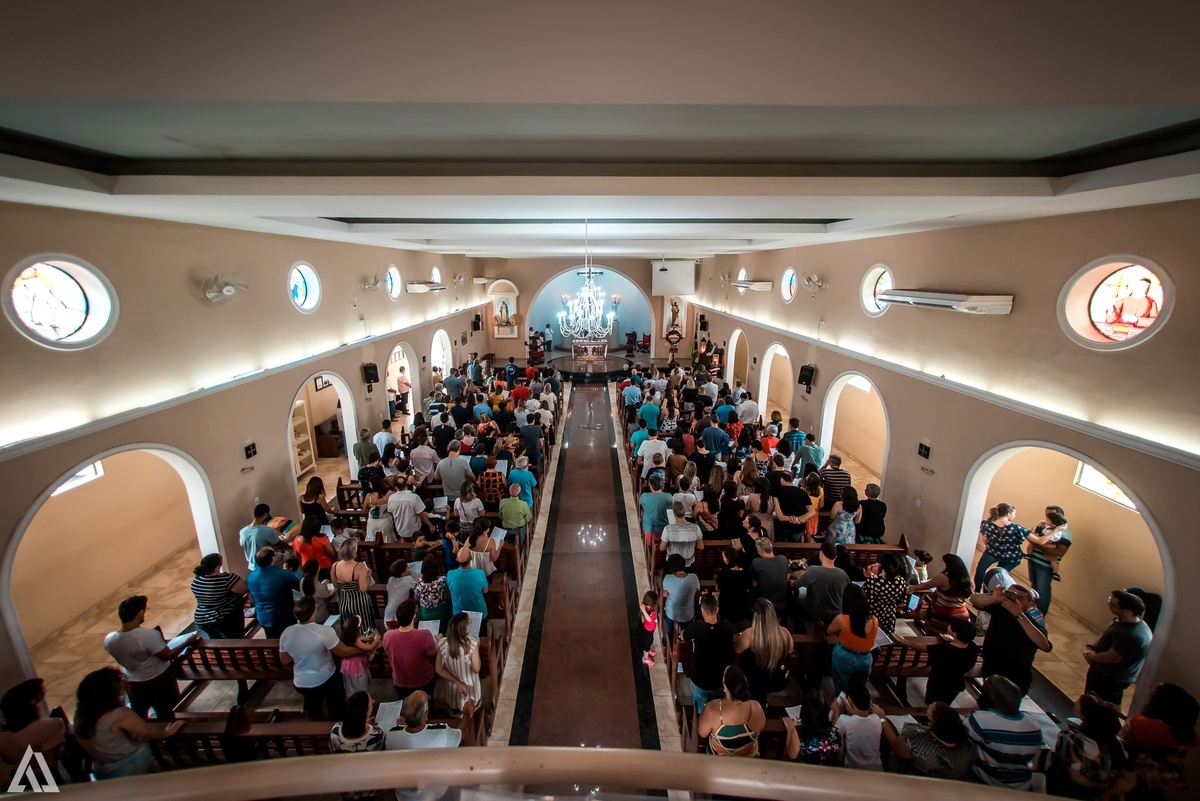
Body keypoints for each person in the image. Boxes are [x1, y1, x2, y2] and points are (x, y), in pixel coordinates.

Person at [73, 668, 182, 779]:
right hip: (129, 764)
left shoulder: (80, 714)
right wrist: (167, 732)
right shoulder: (119, 714)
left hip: (101, 767)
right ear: (111, 693)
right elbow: (147, 731)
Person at [103, 595, 197, 721]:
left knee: (140, 713)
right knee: (166, 712)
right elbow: (166, 656)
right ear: (139, 613)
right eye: (145, 609)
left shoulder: (109, 639)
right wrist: (186, 642)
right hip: (157, 679)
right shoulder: (147, 636)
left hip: (133, 682)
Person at [280, 597, 377, 719]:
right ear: (314, 611)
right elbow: (344, 652)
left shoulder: (287, 632)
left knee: (314, 708)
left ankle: (314, 722)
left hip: (301, 682)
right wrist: (365, 649)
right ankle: (335, 720)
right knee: (336, 705)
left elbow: (285, 660)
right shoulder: (324, 631)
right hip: (325, 678)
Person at [1049, 693, 1137, 800]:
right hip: (1106, 793)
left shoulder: (1071, 740)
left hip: (1071, 793)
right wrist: (1106, 795)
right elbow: (1130, 780)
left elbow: (1075, 776)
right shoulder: (1123, 747)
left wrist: (1098, 785)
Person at [972, 582, 1052, 698]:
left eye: (1020, 598)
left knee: (1005, 704)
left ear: (1030, 603)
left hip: (1015, 676)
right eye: (1011, 595)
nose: (1015, 600)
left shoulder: (1031, 621)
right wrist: (993, 598)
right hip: (992, 668)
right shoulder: (1000, 609)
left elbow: (1045, 646)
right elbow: (974, 599)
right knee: (987, 701)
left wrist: (1019, 615)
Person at [968, 675, 1047, 790]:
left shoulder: (980, 720)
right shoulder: (1034, 725)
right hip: (1022, 785)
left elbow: (960, 739)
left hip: (987, 782)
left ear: (993, 696)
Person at [1123, 683, 1200, 800]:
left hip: (1135, 776)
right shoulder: (1189, 734)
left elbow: (1125, 747)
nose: (1151, 690)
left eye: (1154, 691)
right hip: (1161, 781)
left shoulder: (1145, 725)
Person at [1084, 590, 1153, 705]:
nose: (1108, 605)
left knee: (1100, 704)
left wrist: (1091, 656)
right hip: (1101, 670)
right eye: (1109, 601)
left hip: (1110, 678)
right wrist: (1091, 647)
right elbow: (1107, 634)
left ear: (1128, 612)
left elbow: (1112, 657)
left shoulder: (1132, 635)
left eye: (1112, 605)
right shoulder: (1122, 619)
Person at [877, 700, 975, 779]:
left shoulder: (916, 737)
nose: (929, 705)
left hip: (914, 780)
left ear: (935, 721)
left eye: (931, 707)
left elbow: (896, 746)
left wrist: (883, 719)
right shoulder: (968, 747)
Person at [897, 616, 979, 706]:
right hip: (956, 682)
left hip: (938, 681)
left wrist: (904, 641)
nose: (949, 626)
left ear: (955, 634)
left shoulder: (945, 649)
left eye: (951, 626)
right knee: (946, 701)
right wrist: (953, 641)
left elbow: (923, 648)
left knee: (933, 702)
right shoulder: (972, 647)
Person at [733, 598, 793, 708]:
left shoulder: (749, 634)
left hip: (754, 681)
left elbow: (736, 649)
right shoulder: (785, 633)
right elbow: (789, 651)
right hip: (777, 679)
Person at [0, 678, 66, 777]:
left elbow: (8, 760)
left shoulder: (2, 736)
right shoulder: (49, 725)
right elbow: (49, 764)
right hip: (47, 778)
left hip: (19, 777)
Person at [697, 666, 765, 758]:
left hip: (720, 762)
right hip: (749, 761)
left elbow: (702, 733)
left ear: (725, 687)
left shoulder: (712, 709)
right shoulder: (756, 707)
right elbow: (760, 728)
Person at [683, 595, 734, 715]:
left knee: (700, 712)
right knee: (719, 711)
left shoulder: (696, 627)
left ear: (702, 610)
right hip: (720, 680)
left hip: (700, 678)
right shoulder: (726, 626)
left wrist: (682, 633)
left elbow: (684, 636)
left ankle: (700, 720)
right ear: (717, 609)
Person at [826, 584, 879, 696]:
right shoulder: (874, 620)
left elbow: (829, 631)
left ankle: (841, 705)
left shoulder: (842, 620)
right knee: (859, 690)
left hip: (844, 657)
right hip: (865, 659)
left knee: (841, 689)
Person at [383, 599, 438, 700]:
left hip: (401, 682)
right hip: (423, 682)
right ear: (414, 616)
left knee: (406, 704)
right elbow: (433, 652)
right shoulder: (424, 635)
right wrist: (437, 641)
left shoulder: (388, 636)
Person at [972, 502, 1031, 592]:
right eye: (1014, 513)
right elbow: (1039, 541)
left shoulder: (988, 524)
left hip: (992, 551)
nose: (1014, 515)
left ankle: (976, 590)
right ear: (1008, 514)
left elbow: (985, 539)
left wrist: (988, 545)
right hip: (1011, 556)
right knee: (998, 574)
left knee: (981, 568)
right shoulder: (1015, 528)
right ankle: (990, 592)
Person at [1025, 505, 1073, 615]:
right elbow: (1032, 538)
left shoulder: (1066, 534)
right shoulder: (1042, 525)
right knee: (1034, 585)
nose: (1047, 517)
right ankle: (1033, 610)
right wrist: (1040, 543)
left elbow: (1059, 552)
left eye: (1051, 515)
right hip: (1033, 559)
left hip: (1045, 565)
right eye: (1046, 514)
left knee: (1043, 590)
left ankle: (1041, 614)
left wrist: (1038, 543)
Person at [912, 553, 973, 635]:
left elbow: (926, 585)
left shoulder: (944, 578)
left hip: (944, 614)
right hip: (962, 614)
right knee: (956, 637)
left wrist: (912, 587)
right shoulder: (969, 580)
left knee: (935, 637)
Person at [190, 552, 247, 639]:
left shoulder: (197, 580)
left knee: (215, 641)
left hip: (201, 618)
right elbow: (244, 589)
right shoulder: (227, 578)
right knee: (234, 640)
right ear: (218, 566)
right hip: (221, 618)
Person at [435, 612, 482, 717]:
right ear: (464, 629)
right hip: (470, 688)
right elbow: (476, 668)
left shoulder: (442, 643)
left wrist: (457, 682)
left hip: (453, 690)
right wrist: (477, 648)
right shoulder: (472, 644)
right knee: (471, 714)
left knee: (456, 715)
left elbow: (439, 669)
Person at [831, 676, 883, 771]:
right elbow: (861, 718)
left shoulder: (844, 720)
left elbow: (834, 733)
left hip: (853, 769)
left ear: (849, 700)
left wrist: (836, 711)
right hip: (876, 768)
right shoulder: (876, 719)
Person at [795, 541, 851, 628]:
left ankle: (800, 630)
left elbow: (795, 585)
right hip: (836, 615)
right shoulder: (843, 574)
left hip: (814, 614)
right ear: (835, 557)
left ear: (821, 554)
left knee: (794, 604)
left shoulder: (813, 570)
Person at [783, 689, 844, 766]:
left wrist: (790, 728)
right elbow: (840, 759)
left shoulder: (799, 735)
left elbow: (792, 754)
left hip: (803, 772)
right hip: (828, 772)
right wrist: (836, 713)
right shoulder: (837, 734)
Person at [331, 538, 376, 631]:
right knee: (363, 624)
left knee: (348, 626)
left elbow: (336, 585)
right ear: (354, 552)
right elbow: (363, 588)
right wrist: (368, 575)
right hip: (358, 601)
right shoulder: (359, 566)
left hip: (343, 600)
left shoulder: (335, 565)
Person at [861, 552, 908, 635]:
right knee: (885, 636)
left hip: (874, 614)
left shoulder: (872, 580)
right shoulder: (901, 581)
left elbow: (865, 599)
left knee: (871, 635)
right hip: (890, 614)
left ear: (881, 564)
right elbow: (902, 600)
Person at [337, 612, 381, 697]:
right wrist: (376, 639)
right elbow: (369, 648)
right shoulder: (355, 639)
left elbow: (357, 641)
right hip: (355, 667)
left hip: (349, 665)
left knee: (353, 686)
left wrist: (363, 639)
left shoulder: (347, 636)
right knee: (360, 687)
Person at [661, 554, 701, 644]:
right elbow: (697, 596)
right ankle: (685, 643)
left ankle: (671, 641)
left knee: (670, 632)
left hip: (671, 614)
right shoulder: (694, 578)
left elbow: (664, 595)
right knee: (686, 634)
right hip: (688, 614)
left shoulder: (668, 578)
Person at [445, 549, 487, 624]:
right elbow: (485, 591)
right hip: (478, 611)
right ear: (471, 558)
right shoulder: (480, 573)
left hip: (458, 614)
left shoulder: (450, 574)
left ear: (456, 559)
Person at [239, 502, 284, 571]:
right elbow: (281, 544)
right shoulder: (268, 530)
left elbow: (243, 544)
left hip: (252, 566)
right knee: (290, 556)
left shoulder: (242, 531)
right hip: (267, 563)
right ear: (265, 514)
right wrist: (291, 545)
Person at [387, 476, 433, 541]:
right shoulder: (414, 497)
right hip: (414, 528)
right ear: (406, 484)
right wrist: (430, 525)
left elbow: (390, 512)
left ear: (396, 487)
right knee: (417, 542)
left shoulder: (391, 498)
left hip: (400, 528)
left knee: (404, 542)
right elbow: (421, 515)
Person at [715, 547, 753, 624]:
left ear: (728, 558)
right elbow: (748, 588)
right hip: (741, 607)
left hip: (726, 608)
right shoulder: (746, 573)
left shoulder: (723, 573)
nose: (723, 559)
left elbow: (717, 588)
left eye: (723, 557)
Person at [660, 502, 703, 568]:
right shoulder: (696, 528)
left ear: (674, 514)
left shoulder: (668, 529)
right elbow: (701, 546)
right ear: (684, 512)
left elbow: (662, 548)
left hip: (672, 564)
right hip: (689, 563)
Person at [415, 553, 450, 628]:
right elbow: (448, 596)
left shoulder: (420, 582)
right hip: (441, 613)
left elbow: (416, 598)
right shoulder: (442, 580)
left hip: (425, 614)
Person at [299, 558, 336, 624]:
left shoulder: (302, 581)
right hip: (320, 616)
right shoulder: (318, 587)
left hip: (308, 614)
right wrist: (336, 588)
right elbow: (328, 597)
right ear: (318, 569)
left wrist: (322, 584)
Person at [639, 590, 659, 667]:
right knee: (647, 644)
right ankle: (645, 658)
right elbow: (650, 620)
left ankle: (648, 650)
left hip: (649, 629)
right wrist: (643, 610)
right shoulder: (647, 610)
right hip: (647, 630)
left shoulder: (648, 607)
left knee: (649, 642)